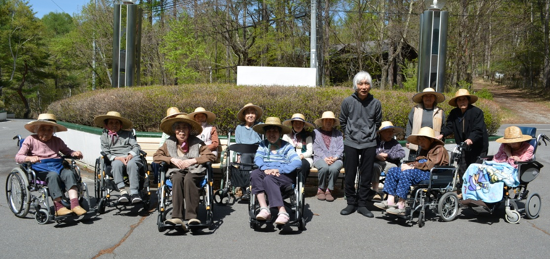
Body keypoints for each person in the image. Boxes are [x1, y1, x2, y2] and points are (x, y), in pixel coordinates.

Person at [15, 113, 86, 216]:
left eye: (49, 130)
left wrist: (74, 153)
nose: (46, 132)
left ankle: (75, 204)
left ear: (53, 131)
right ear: (37, 129)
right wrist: (28, 158)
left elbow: (67, 151)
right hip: (40, 169)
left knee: (69, 173)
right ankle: (59, 207)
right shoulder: (30, 139)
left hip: (57, 165)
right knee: (53, 176)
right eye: (43, 129)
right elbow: (18, 157)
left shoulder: (57, 141)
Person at [153, 114, 215, 229]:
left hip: (194, 170)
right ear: (174, 131)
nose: (181, 132)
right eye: (178, 129)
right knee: (176, 178)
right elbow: (156, 157)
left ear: (189, 130)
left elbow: (210, 156)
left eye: (184, 128)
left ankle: (192, 216)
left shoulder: (197, 142)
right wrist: (171, 159)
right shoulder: (169, 142)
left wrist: (193, 161)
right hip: (176, 170)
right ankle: (177, 216)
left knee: (189, 179)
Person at [374, 127, 449, 215]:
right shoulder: (424, 149)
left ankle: (401, 204)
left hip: (432, 174)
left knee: (407, 173)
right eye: (419, 141)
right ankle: (390, 201)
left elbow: (431, 164)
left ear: (431, 140)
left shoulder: (439, 149)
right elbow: (418, 161)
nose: (420, 143)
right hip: (420, 171)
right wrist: (408, 165)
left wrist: (412, 167)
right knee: (393, 170)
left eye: (423, 140)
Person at [339, 71, 382, 218]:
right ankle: (351, 202)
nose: (363, 87)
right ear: (355, 86)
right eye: (360, 83)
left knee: (366, 175)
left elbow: (378, 122)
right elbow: (343, 121)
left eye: (366, 83)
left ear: (370, 86)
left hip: (369, 143)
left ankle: (363, 204)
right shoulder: (347, 102)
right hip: (351, 142)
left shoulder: (376, 103)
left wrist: (370, 134)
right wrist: (349, 133)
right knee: (350, 174)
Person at [250, 117, 301, 225]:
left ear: (280, 133)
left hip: (284, 176)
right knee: (255, 174)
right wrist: (266, 168)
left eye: (275, 131)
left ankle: (282, 212)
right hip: (267, 171)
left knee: (269, 179)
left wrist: (279, 169)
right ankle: (264, 209)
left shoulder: (287, 146)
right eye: (269, 131)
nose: (271, 134)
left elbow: (297, 162)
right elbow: (258, 159)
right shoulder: (263, 144)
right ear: (265, 133)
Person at [461, 126, 533, 202]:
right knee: (474, 167)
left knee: (488, 173)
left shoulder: (528, 148)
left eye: (514, 143)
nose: (511, 145)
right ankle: (472, 195)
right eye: (510, 143)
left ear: (520, 141)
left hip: (512, 171)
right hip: (498, 166)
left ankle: (489, 197)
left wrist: (509, 154)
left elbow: (517, 165)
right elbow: (497, 159)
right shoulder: (505, 145)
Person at [438, 89, 489, 182]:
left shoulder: (477, 112)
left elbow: (478, 129)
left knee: (475, 170)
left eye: (464, 99)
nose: (462, 102)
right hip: (463, 146)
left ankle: (474, 192)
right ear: (456, 102)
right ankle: (462, 189)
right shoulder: (454, 113)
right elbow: (449, 126)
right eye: (459, 100)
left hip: (478, 146)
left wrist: (470, 139)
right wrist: (442, 134)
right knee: (462, 167)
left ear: (468, 100)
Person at [94, 111, 143, 204]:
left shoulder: (128, 134)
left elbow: (136, 146)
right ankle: (122, 191)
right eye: (111, 123)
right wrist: (117, 158)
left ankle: (134, 193)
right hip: (116, 158)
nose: (114, 125)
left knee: (132, 164)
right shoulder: (104, 137)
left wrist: (131, 155)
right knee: (116, 164)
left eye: (117, 122)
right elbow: (105, 151)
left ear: (121, 124)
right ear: (106, 125)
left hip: (130, 156)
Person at [405, 87, 445, 160]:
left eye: (431, 96)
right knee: (414, 166)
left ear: (435, 98)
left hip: (433, 145)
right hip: (417, 144)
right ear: (422, 98)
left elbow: (443, 128)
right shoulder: (415, 110)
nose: (428, 98)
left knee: (430, 166)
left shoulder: (440, 111)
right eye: (426, 96)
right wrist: (408, 140)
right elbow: (409, 125)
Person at [312, 111, 344, 202]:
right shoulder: (315, 132)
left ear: (334, 122)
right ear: (322, 121)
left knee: (334, 169)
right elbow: (316, 147)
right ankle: (321, 189)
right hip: (320, 157)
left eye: (331, 120)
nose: (328, 122)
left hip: (336, 158)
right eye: (326, 120)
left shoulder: (338, 134)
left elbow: (341, 147)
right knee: (324, 167)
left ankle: (329, 190)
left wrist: (335, 158)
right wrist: (325, 158)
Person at [152, 107, 186, 183]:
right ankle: (159, 182)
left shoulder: (184, 130)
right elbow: (161, 146)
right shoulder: (166, 132)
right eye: (171, 117)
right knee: (155, 163)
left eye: (175, 116)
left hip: (181, 157)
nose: (173, 119)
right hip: (168, 155)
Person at [373, 121, 406, 195]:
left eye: (392, 132)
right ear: (381, 132)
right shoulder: (374, 141)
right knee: (374, 167)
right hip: (375, 162)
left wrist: (388, 155)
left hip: (389, 163)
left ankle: (389, 192)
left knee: (393, 168)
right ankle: (375, 191)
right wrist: (376, 156)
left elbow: (402, 153)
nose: (391, 134)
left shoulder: (394, 143)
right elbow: (367, 152)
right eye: (388, 132)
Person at [282, 113, 314, 181]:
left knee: (303, 165)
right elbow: (284, 149)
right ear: (292, 124)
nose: (298, 125)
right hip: (289, 158)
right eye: (296, 123)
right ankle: (290, 185)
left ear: (303, 125)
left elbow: (309, 151)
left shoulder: (308, 136)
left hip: (305, 158)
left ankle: (301, 185)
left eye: (300, 123)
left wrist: (302, 156)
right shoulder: (286, 136)